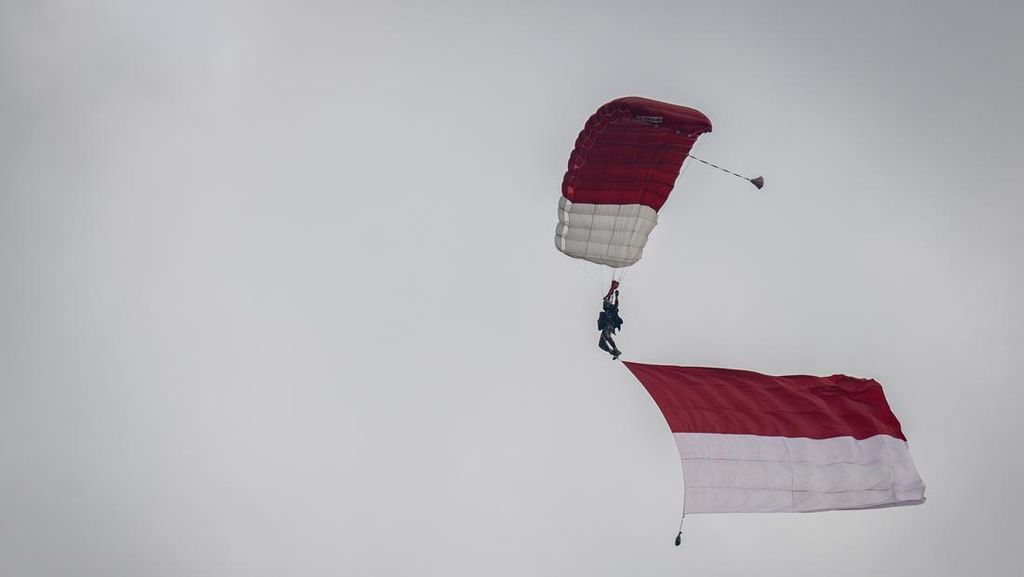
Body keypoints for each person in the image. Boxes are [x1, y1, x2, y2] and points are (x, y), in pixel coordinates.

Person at [598, 288, 623, 359]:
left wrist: (616, 296)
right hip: (606, 326)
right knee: (601, 344)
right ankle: (613, 352)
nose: (604, 305)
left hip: (610, 325)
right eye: (604, 303)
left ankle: (615, 349)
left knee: (606, 334)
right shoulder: (603, 313)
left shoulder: (612, 310)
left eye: (605, 303)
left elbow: (616, 304)